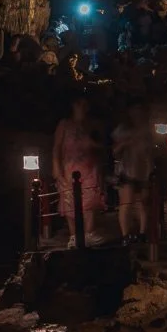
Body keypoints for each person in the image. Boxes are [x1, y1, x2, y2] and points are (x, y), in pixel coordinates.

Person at [50, 95, 106, 247]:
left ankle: (89, 233)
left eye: (84, 105)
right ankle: (74, 235)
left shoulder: (92, 124)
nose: (81, 108)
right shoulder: (65, 124)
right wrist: (56, 168)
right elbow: (57, 147)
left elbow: (103, 146)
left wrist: (92, 144)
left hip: (89, 166)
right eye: (78, 104)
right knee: (69, 200)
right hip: (69, 167)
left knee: (90, 200)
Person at [110, 103, 155, 245]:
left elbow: (151, 150)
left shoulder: (148, 130)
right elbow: (114, 151)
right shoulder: (123, 130)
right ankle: (125, 235)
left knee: (143, 203)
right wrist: (126, 143)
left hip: (144, 170)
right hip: (127, 169)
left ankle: (142, 234)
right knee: (126, 203)